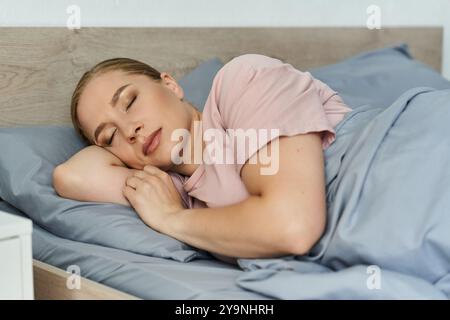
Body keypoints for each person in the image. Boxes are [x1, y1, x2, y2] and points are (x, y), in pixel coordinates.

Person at [53, 54, 352, 265]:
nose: (130, 130)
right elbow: (71, 176)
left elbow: (293, 226)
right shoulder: (174, 192)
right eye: (109, 137)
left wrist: (171, 219)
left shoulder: (240, 83)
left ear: (170, 85)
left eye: (130, 101)